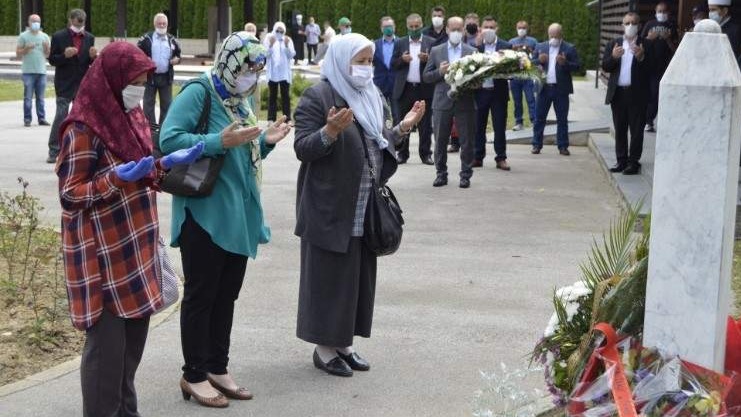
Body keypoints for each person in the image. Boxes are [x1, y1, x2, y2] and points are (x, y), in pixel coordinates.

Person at [57, 41, 204, 417]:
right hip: (102, 257)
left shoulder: (133, 114)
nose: (138, 90)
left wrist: (163, 163)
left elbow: (146, 168)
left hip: (136, 251)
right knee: (106, 357)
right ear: (112, 79)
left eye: (142, 82)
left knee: (130, 354)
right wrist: (114, 179)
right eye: (133, 82)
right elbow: (71, 195)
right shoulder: (83, 127)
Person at [160, 31, 292, 407]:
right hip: (204, 214)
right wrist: (219, 141)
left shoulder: (238, 100)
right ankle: (194, 374)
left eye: (258, 70)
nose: (254, 76)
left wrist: (265, 141)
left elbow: (241, 156)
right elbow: (169, 142)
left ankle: (218, 366)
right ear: (231, 62)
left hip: (238, 214)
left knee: (226, 295)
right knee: (202, 295)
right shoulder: (199, 93)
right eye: (249, 68)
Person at [293, 33, 425, 378]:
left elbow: (377, 144)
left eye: (369, 61)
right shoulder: (319, 96)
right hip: (330, 206)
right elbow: (303, 148)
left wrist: (404, 127)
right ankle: (324, 349)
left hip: (365, 207)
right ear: (340, 60)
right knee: (327, 277)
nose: (366, 68)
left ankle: (344, 344)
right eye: (359, 61)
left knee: (357, 278)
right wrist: (329, 132)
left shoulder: (372, 96)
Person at [423, 16, 477, 189]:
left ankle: (465, 175)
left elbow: (478, 80)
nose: (455, 32)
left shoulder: (472, 51)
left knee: (467, 140)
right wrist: (440, 71)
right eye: (452, 29)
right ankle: (441, 174)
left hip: (465, 101)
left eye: (459, 29)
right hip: (441, 101)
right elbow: (426, 76)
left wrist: (469, 78)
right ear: (446, 30)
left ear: (463, 31)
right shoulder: (436, 50)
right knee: (440, 140)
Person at [602, 12, 650, 176]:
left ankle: (633, 162)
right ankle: (621, 160)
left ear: (639, 25)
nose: (630, 26)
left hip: (637, 95)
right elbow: (605, 66)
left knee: (636, 131)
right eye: (627, 23)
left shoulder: (646, 44)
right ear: (622, 25)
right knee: (620, 129)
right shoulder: (614, 44)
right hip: (618, 94)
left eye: (633, 23)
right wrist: (614, 57)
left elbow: (653, 69)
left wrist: (641, 57)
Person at [47, 8, 97, 164]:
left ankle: (76, 148)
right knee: (61, 115)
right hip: (64, 83)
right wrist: (64, 56)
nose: (79, 26)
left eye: (82, 24)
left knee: (79, 119)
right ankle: (54, 149)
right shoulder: (58, 36)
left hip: (82, 83)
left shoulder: (90, 38)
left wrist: (93, 57)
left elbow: (89, 63)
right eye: (77, 23)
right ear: (71, 20)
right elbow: (52, 60)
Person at [392, 13, 435, 165]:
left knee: (425, 125)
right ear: (407, 27)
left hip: (424, 89)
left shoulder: (431, 42)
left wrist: (428, 59)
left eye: (417, 26)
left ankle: (425, 154)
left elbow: (436, 65)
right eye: (411, 27)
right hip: (405, 89)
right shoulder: (400, 43)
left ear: (422, 25)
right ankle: (402, 154)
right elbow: (393, 64)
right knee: (404, 121)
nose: (414, 29)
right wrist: (402, 60)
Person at [531, 23, 580, 156]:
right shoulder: (540, 46)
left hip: (561, 90)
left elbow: (578, 67)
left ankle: (563, 146)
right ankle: (536, 145)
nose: (553, 38)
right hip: (544, 88)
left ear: (561, 35)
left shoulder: (569, 48)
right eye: (551, 36)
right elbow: (530, 64)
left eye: (556, 36)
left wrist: (565, 63)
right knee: (539, 118)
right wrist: (539, 61)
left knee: (562, 119)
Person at [473, 16, 511, 170]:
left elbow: (512, 72)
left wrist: (504, 63)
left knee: (499, 126)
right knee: (478, 126)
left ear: (497, 29)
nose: (489, 30)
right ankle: (477, 156)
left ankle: (500, 158)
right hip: (480, 92)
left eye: (492, 27)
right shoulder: (476, 46)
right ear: (481, 29)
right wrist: (477, 47)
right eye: (486, 27)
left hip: (498, 93)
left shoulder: (506, 46)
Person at [137, 13, 182, 126]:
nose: (162, 25)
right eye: (159, 23)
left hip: (166, 77)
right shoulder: (145, 38)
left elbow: (178, 55)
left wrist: (177, 60)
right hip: (149, 77)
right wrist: (144, 59)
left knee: (167, 104)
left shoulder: (172, 40)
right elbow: (136, 53)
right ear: (154, 24)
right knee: (148, 104)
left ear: (167, 25)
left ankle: (163, 129)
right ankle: (151, 129)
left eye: (164, 23)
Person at [641, 1, 677, 132]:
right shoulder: (649, 24)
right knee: (647, 93)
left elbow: (675, 49)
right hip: (648, 64)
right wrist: (649, 39)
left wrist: (667, 39)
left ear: (668, 13)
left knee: (655, 94)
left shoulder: (671, 26)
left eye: (664, 11)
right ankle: (644, 119)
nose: (661, 14)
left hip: (662, 67)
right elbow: (641, 44)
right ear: (655, 12)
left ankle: (649, 120)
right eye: (659, 11)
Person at [16, 14, 50, 128]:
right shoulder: (23, 36)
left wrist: (46, 48)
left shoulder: (45, 36)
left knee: (40, 98)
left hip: (41, 71)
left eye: (38, 21)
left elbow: (48, 54)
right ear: (29, 22)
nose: (36, 23)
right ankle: (27, 119)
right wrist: (26, 49)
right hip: (28, 71)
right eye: (34, 21)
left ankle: (41, 118)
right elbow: (18, 54)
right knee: (28, 97)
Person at [263, 22, 296, 122]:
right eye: (277, 30)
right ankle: (271, 119)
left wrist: (286, 46)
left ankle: (287, 119)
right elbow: (266, 55)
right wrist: (271, 45)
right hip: (273, 72)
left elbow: (291, 55)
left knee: (285, 96)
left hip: (284, 73)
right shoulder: (269, 39)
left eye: (281, 31)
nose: (279, 33)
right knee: (272, 96)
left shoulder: (287, 40)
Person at [509, 20, 538, 131]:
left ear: (527, 28)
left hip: (528, 75)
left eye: (523, 28)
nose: (521, 30)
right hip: (515, 75)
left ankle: (534, 120)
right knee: (517, 101)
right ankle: (519, 121)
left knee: (531, 99)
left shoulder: (533, 41)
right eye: (519, 27)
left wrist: (530, 53)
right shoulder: (511, 41)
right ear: (516, 28)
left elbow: (537, 56)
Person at [373, 16, 398, 125]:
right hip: (380, 84)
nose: (388, 28)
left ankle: (398, 140)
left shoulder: (401, 43)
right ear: (381, 28)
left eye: (390, 26)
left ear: (394, 27)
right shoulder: (375, 44)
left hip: (396, 84)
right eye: (385, 26)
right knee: (379, 114)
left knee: (397, 114)